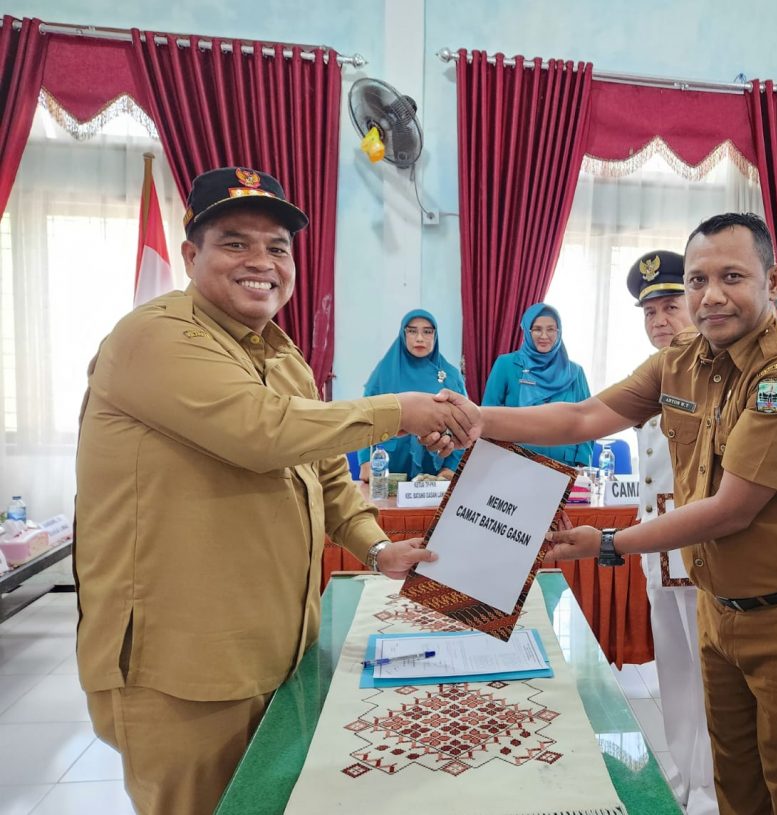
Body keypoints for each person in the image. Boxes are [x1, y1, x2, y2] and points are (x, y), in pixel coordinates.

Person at [73, 167, 479, 815]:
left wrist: (377, 547)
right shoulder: (154, 338)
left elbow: (326, 472)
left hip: (281, 656)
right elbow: (262, 431)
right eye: (235, 242)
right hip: (184, 673)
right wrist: (400, 410)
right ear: (190, 255)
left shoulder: (282, 356)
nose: (261, 261)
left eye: (278, 247)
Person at [482, 212, 777, 815]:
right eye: (697, 280)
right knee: (737, 790)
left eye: (732, 276)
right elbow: (584, 418)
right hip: (722, 610)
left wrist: (609, 543)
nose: (710, 296)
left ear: (775, 280)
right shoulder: (683, 357)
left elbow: (730, 510)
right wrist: (475, 420)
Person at [625, 250, 718, 815]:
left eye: (670, 306)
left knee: (709, 673)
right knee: (675, 667)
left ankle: (710, 785)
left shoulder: (718, 370)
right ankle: (683, 770)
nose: (660, 320)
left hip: (703, 546)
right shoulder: (654, 375)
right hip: (657, 546)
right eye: (650, 311)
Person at [357, 309, 466, 482]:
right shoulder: (384, 373)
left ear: (435, 335)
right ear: (403, 333)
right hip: (387, 471)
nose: (420, 338)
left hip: (435, 473)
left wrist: (449, 469)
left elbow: (463, 426)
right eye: (412, 331)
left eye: (427, 332)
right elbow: (363, 418)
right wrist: (365, 462)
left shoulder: (451, 376)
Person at [481, 302, 593, 467]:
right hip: (513, 463)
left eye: (550, 329)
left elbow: (587, 421)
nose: (544, 336)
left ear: (559, 332)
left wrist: (582, 465)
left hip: (564, 465)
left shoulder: (575, 372)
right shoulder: (506, 364)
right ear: (527, 331)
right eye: (537, 329)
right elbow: (487, 417)